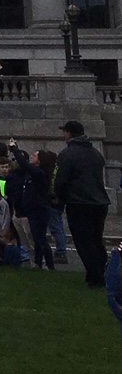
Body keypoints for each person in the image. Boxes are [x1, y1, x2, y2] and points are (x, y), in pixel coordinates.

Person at [53, 119, 112, 287]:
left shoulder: (67, 154)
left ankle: (95, 277)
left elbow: (59, 180)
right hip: (100, 202)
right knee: (96, 240)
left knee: (84, 243)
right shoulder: (96, 154)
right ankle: (104, 272)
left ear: (69, 134)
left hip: (79, 202)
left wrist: (58, 197)